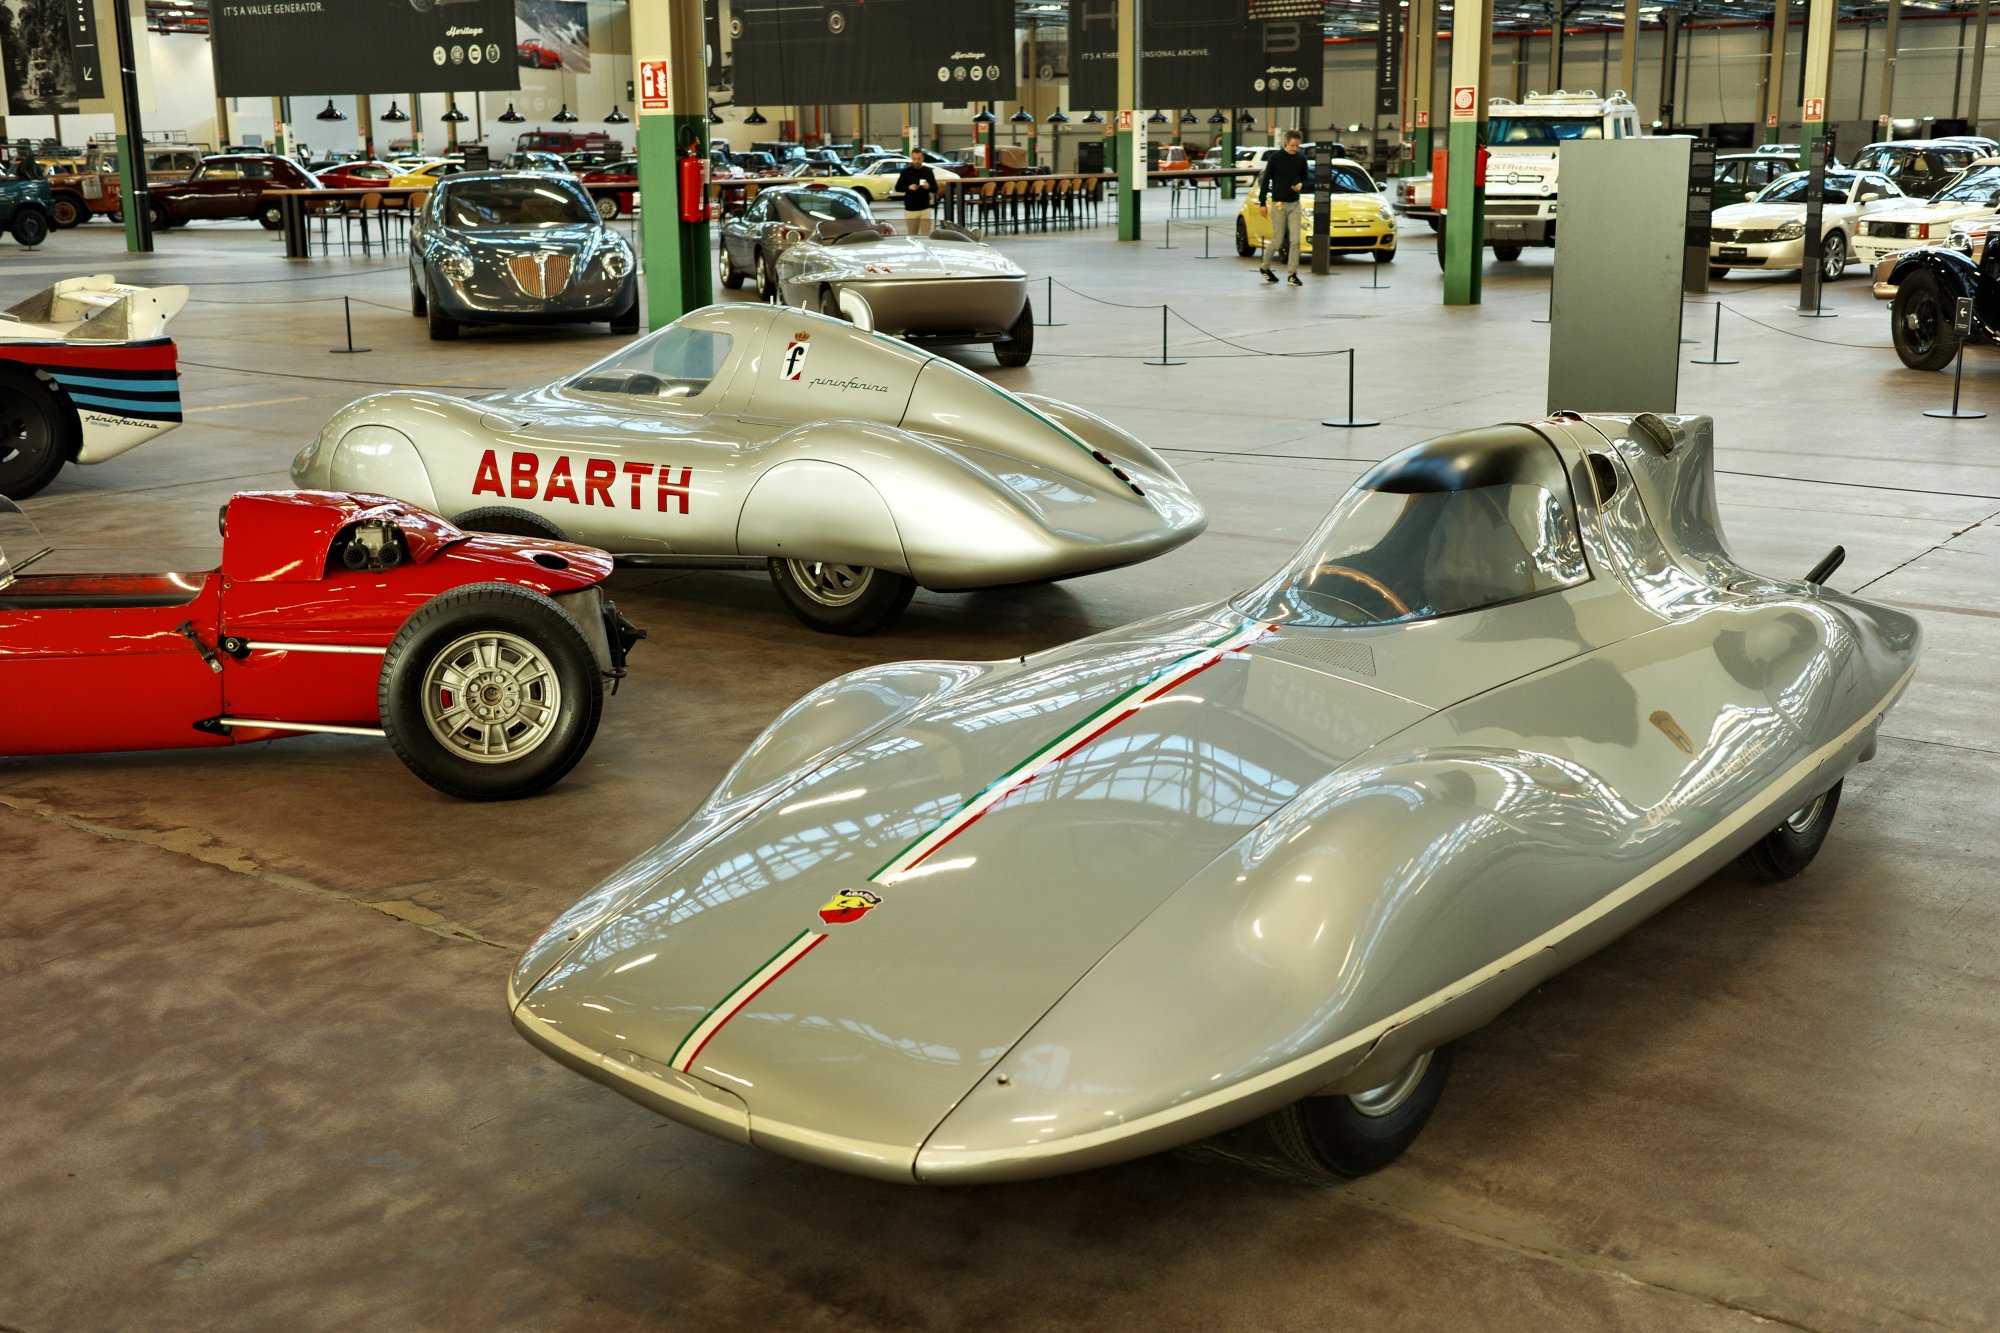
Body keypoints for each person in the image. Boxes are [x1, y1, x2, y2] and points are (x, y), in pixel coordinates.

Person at [1257, 130, 1312, 287]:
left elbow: (1306, 178)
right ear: (1286, 143)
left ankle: (1292, 274)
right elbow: (1266, 180)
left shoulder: (1301, 158)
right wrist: (1262, 203)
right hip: (1278, 204)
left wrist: (1301, 185)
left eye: (1297, 145)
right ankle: (1264, 267)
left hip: (1295, 204)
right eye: (1293, 145)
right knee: (1278, 240)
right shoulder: (1276, 158)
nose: (1295, 148)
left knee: (1295, 241)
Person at [895, 149, 938, 236]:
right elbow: (897, 188)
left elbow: (935, 189)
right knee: (913, 235)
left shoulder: (928, 171)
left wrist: (928, 187)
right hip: (910, 209)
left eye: (918, 159)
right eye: (914, 159)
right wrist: (908, 187)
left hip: (925, 208)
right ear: (911, 158)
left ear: (923, 158)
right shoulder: (905, 172)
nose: (916, 161)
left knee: (926, 235)